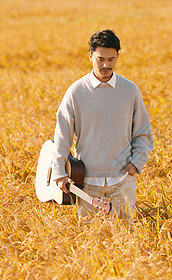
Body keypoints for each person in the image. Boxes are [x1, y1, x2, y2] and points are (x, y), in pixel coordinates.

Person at [51, 29, 153, 221]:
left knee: (127, 241)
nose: (106, 65)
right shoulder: (75, 92)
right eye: (100, 59)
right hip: (86, 186)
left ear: (117, 57)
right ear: (90, 56)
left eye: (111, 59)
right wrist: (59, 172)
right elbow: (62, 136)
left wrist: (136, 163)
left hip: (122, 182)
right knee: (90, 244)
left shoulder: (130, 90)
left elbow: (143, 133)